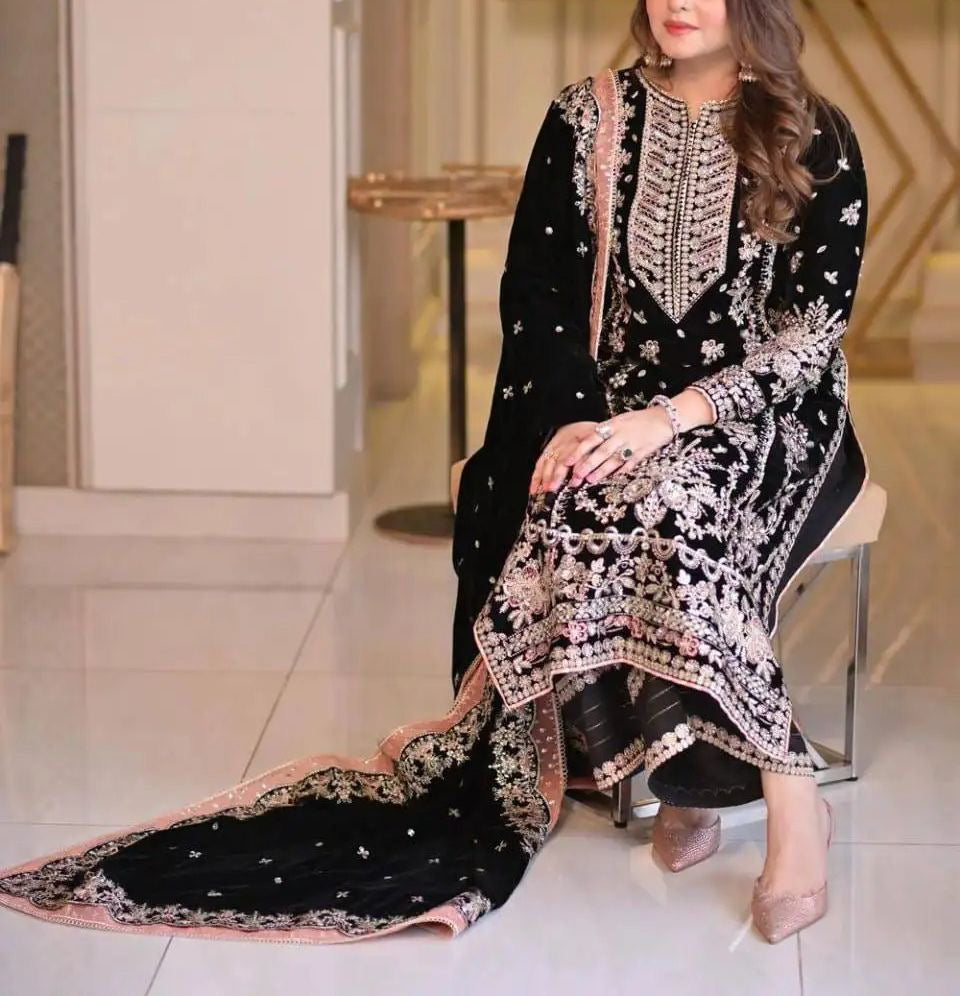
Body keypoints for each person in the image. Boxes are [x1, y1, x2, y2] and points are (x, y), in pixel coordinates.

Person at [0, 0, 867, 947]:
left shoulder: (813, 133)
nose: (678, 0)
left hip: (758, 413)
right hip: (606, 407)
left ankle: (790, 795)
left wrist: (671, 419)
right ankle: (688, 775)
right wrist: (577, 420)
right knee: (580, 498)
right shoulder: (588, 117)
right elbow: (538, 293)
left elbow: (811, 337)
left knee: (674, 503)